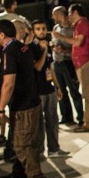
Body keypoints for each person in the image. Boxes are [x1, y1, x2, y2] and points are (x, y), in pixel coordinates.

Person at [0, 20, 45, 178]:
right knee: (28, 142)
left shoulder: (8, 51)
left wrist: (0, 108)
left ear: (2, 35)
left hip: (23, 106)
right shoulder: (23, 47)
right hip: (32, 101)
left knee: (23, 145)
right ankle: (22, 175)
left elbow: (9, 83)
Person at [53, 4, 89, 131]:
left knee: (87, 95)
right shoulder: (79, 25)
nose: (69, 16)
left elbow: (78, 42)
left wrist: (61, 37)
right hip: (83, 62)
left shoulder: (82, 24)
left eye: (70, 14)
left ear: (76, 12)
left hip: (84, 62)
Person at [31, 20, 66, 158]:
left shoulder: (47, 44)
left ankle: (54, 149)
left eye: (43, 28)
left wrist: (57, 86)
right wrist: (44, 50)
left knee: (53, 120)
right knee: (39, 123)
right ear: (33, 31)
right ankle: (39, 151)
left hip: (49, 89)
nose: (41, 31)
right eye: (38, 29)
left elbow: (50, 67)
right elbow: (38, 67)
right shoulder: (32, 48)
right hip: (38, 91)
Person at [50, 6, 83, 127]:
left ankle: (81, 116)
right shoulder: (56, 28)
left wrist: (64, 50)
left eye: (54, 15)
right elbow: (53, 42)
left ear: (60, 14)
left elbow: (78, 46)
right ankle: (66, 116)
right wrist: (53, 47)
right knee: (61, 91)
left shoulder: (73, 28)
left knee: (74, 91)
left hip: (69, 63)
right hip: (57, 63)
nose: (52, 17)